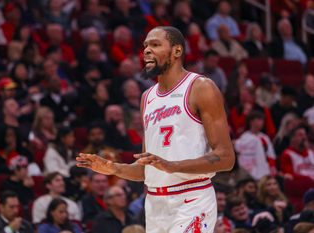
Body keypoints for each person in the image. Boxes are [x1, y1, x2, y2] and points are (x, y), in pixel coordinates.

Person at [77, 26, 235, 233]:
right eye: (145, 46)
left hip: (192, 198)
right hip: (154, 203)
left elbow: (226, 158)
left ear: (177, 51)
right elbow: (146, 169)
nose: (147, 51)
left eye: (155, 44)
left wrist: (172, 166)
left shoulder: (201, 87)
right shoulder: (147, 97)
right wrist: (113, 168)